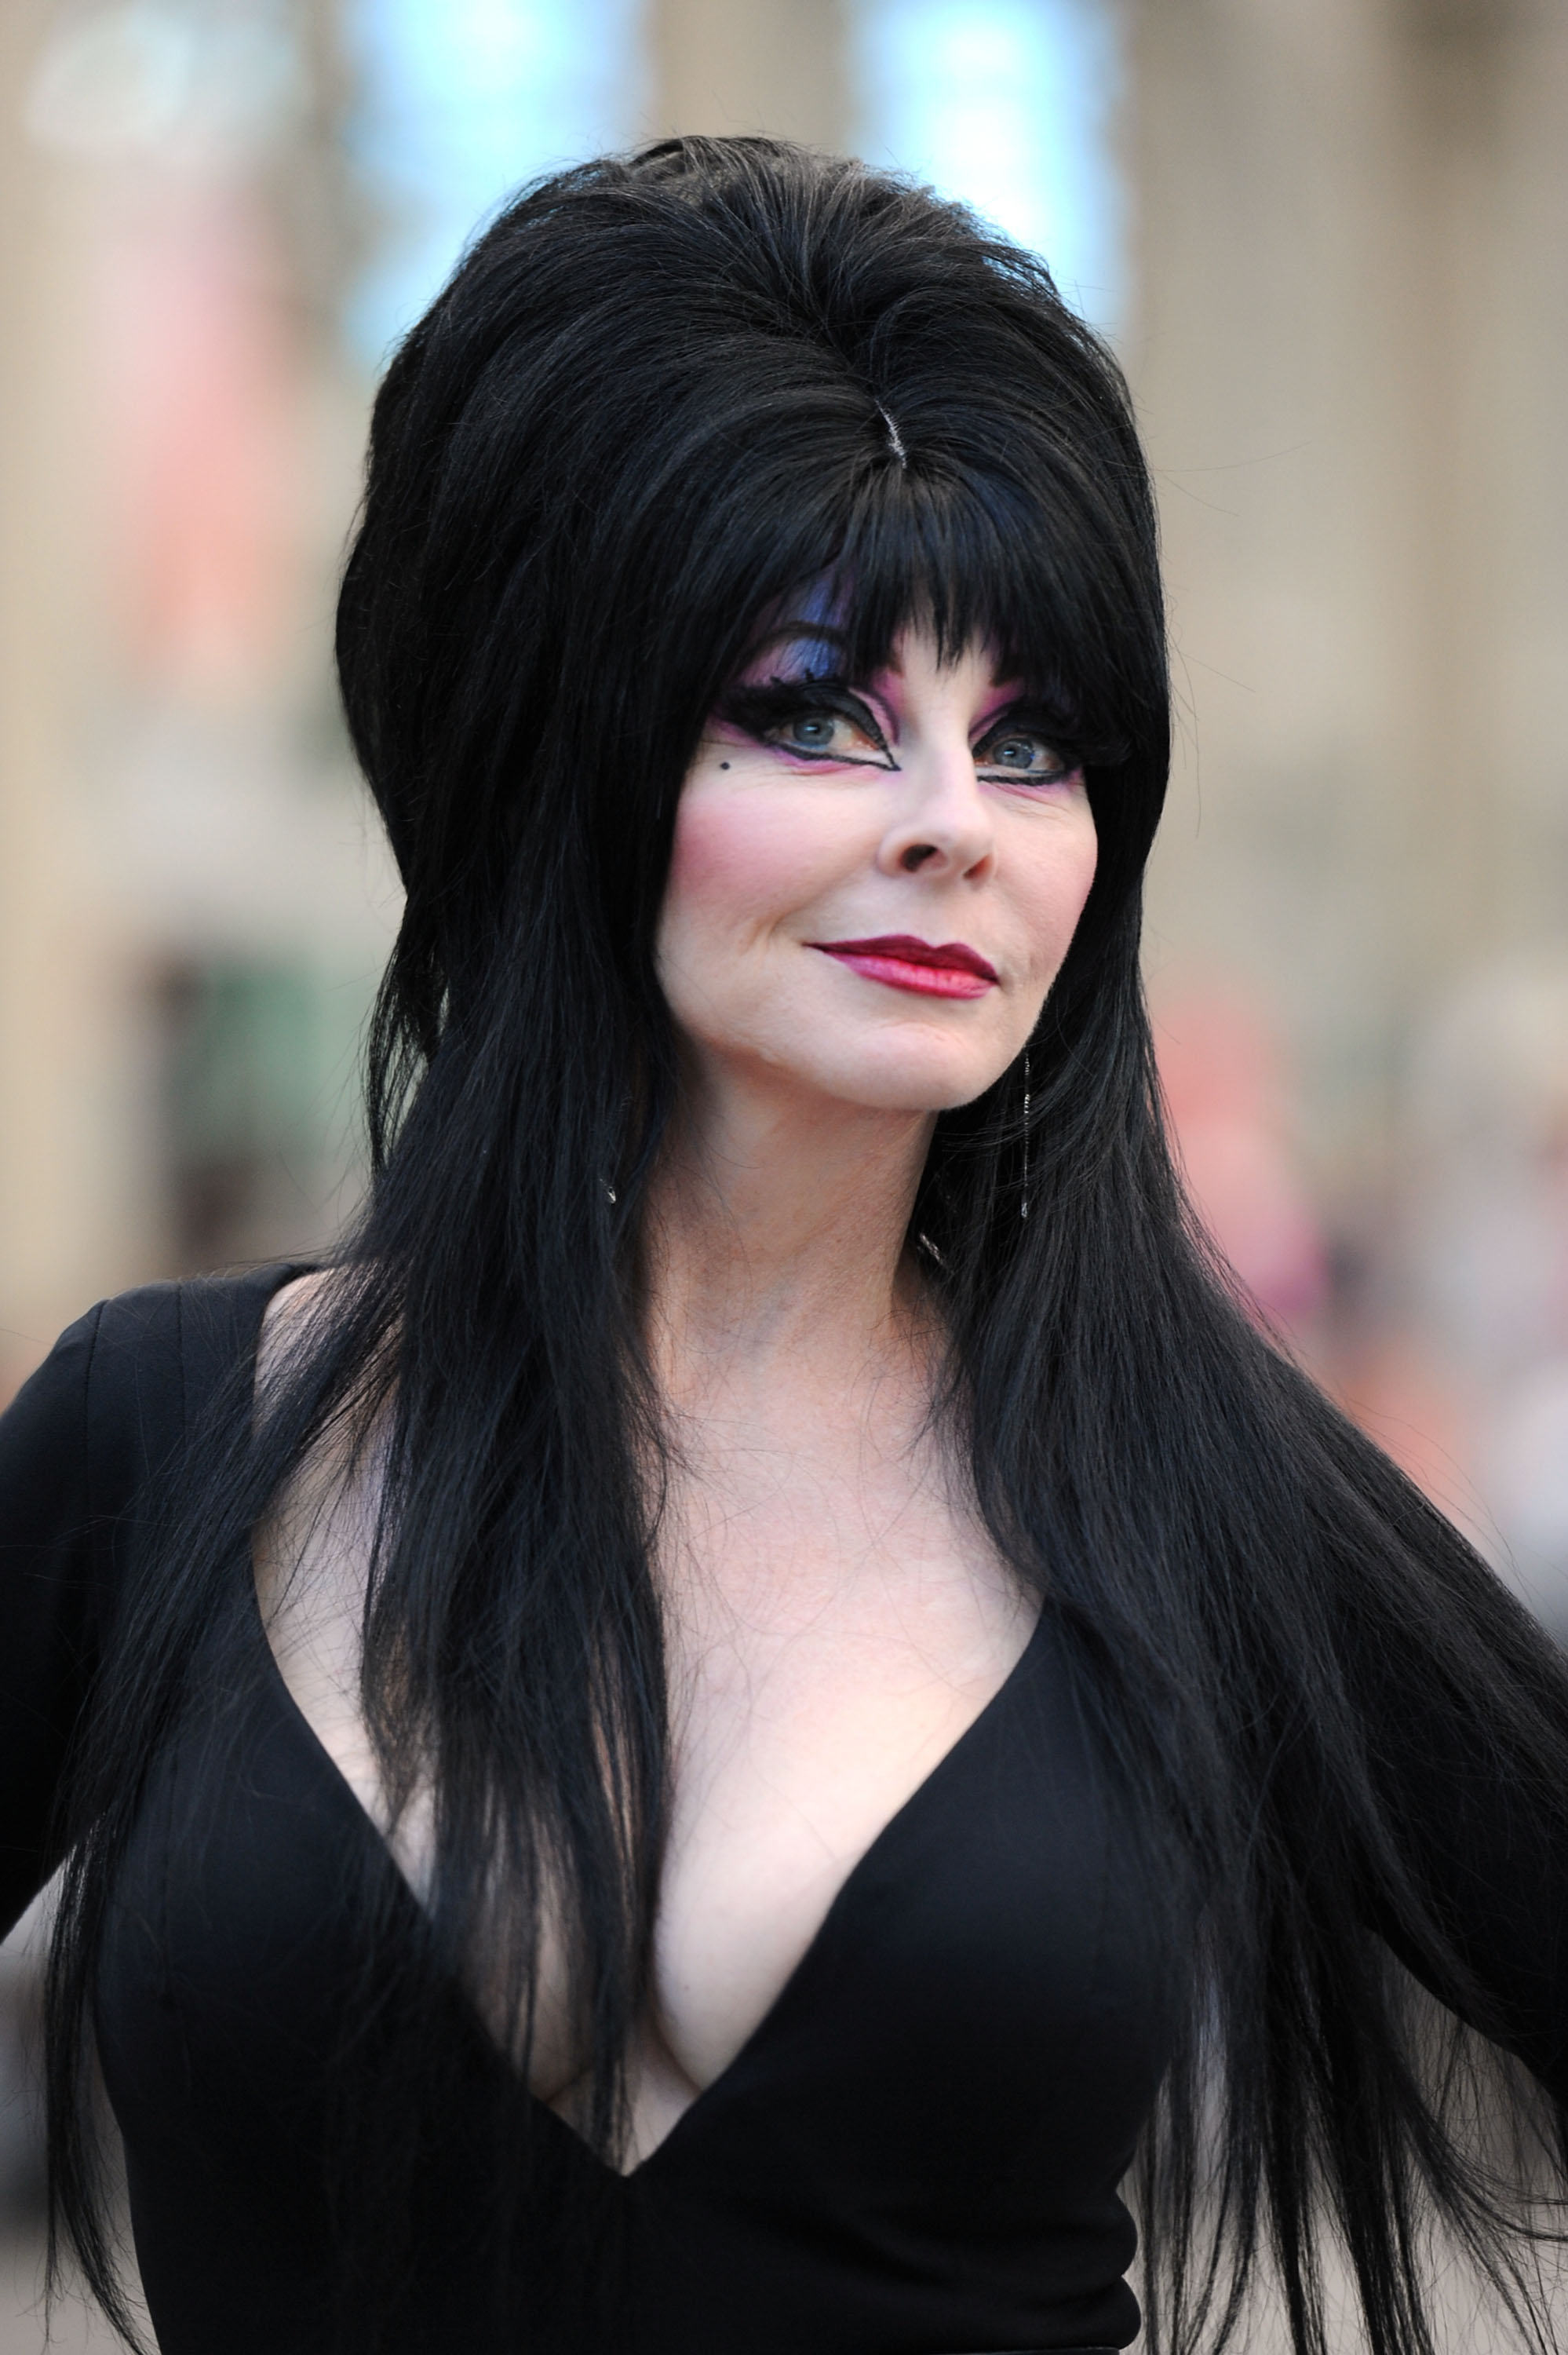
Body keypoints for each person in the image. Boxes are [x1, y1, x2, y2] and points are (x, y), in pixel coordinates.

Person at [2, 137, 1566, 2355]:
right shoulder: (162, 1442)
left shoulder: (1181, 1470)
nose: (949, 818)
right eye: (818, 707)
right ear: (568, 747)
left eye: (1030, 739)